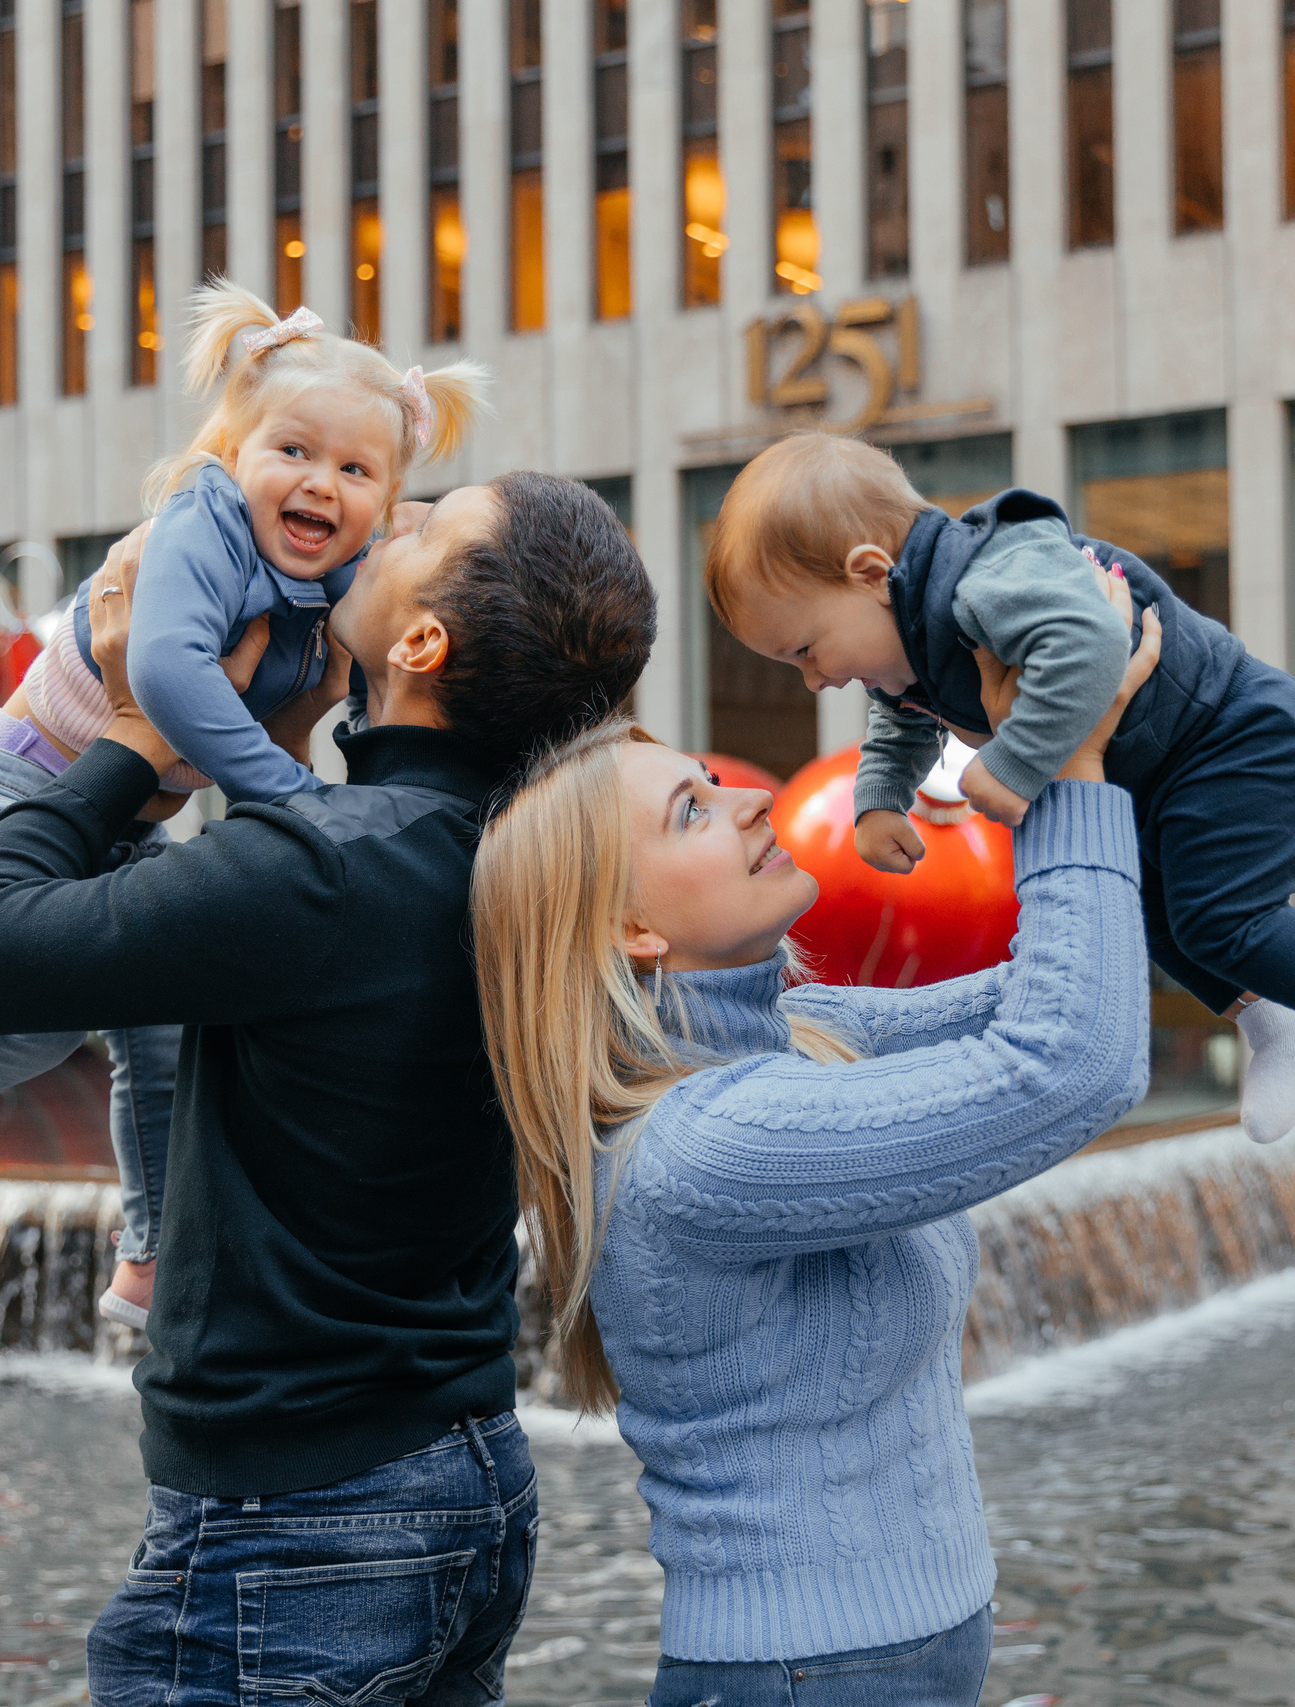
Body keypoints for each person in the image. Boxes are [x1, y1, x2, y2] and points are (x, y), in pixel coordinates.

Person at [0, 472, 656, 1704]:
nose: (385, 521)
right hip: (467, 1478)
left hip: (302, 1529)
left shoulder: (327, 871)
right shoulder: (517, 854)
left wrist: (128, 740)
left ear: (420, 642)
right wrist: (280, 742)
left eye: (423, 529)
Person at [470, 571, 1159, 1706]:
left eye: (708, 783)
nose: (746, 799)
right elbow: (1073, 1066)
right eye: (691, 810)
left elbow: (1069, 986)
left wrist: (1050, 728)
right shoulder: (706, 1141)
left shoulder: (801, 1036)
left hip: (869, 1665)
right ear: (630, 930)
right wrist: (1066, 770)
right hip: (805, 1677)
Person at [0, 281, 486, 1334]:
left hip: (136, 809)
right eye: (292, 453)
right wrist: (298, 802)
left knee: (167, 1027)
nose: (319, 485)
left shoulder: (337, 568)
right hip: (31, 782)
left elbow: (349, 681)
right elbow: (164, 677)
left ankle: (152, 1251)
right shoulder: (201, 524)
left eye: (356, 471)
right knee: (39, 1020)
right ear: (232, 451)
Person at [703, 431, 1295, 1145]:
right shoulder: (907, 635)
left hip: (1245, 743)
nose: (811, 679)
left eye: (805, 648)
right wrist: (878, 796)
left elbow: (1092, 643)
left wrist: (1014, 763)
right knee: (1153, 915)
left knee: (1219, 918)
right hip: (1173, 775)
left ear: (871, 573)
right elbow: (898, 710)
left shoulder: (990, 579)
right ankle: (1278, 1022)